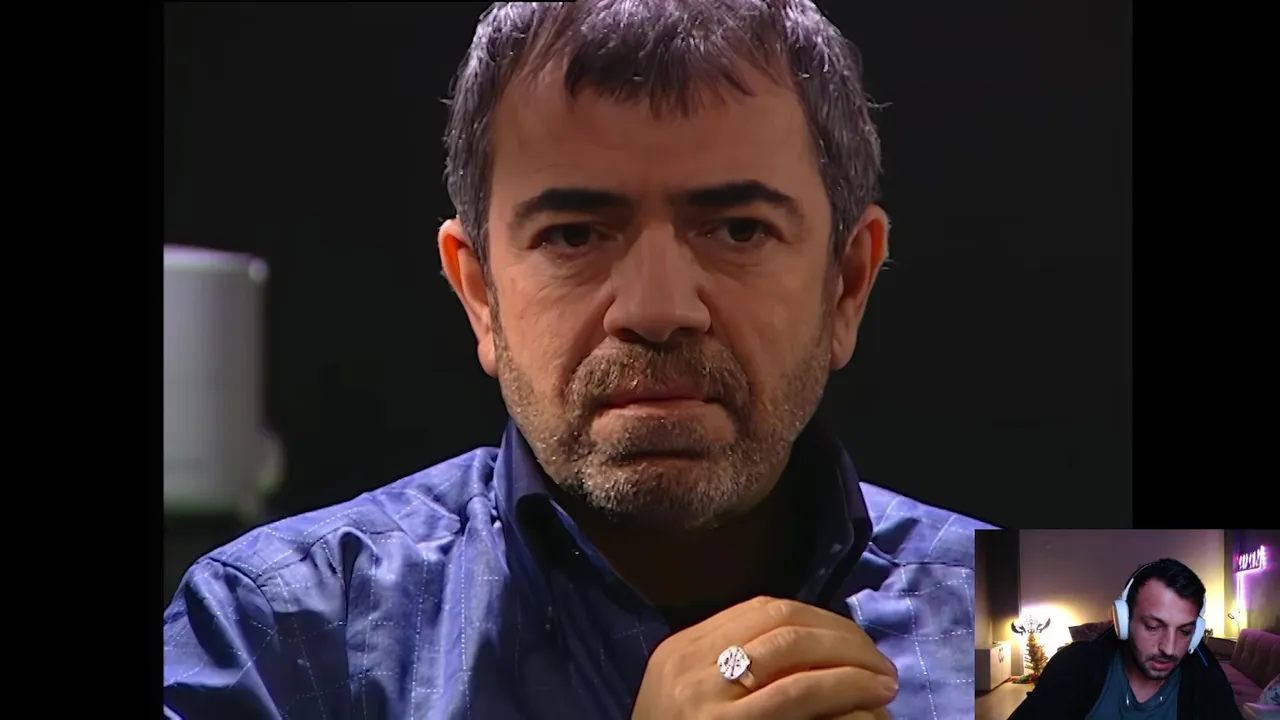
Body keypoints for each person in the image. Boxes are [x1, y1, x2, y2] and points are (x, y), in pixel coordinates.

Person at [162, 1, 995, 718]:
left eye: (739, 230)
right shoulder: (278, 635)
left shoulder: (1015, 628)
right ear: (480, 295)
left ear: (847, 285)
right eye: (573, 235)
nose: (657, 310)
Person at [1009, 558, 1243, 719]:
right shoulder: (1073, 667)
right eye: (1153, 626)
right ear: (1123, 620)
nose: (1170, 649)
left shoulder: (1208, 685)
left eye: (1184, 631)